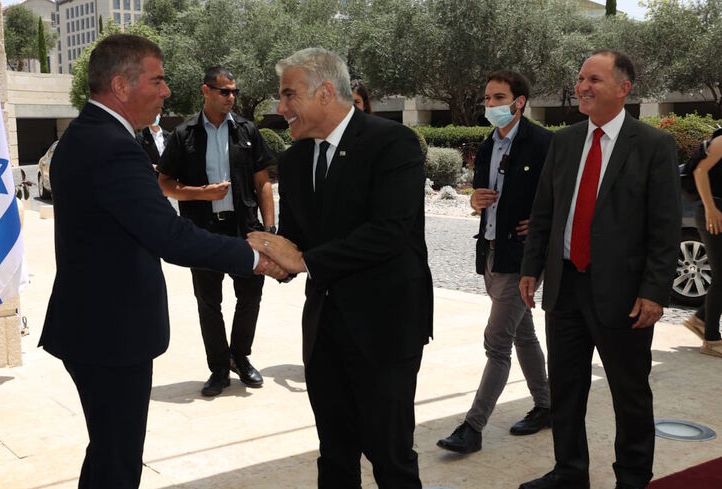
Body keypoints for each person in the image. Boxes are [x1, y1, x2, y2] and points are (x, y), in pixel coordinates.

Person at [38, 34, 281, 489]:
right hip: (110, 335)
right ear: (122, 85)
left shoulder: (88, 133)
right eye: (158, 79)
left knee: (109, 451)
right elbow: (169, 236)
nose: (167, 90)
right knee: (117, 461)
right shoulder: (113, 145)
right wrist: (256, 255)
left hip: (92, 327)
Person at [246, 48, 434, 488]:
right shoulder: (293, 161)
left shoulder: (393, 143)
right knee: (334, 455)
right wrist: (273, 258)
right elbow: (300, 240)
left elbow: (390, 231)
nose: (280, 107)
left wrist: (305, 260)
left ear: (326, 92)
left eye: (288, 94)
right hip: (326, 329)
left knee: (390, 456)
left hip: (385, 329)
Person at [518, 50, 680, 489]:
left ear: (624, 89)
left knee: (629, 393)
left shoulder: (652, 145)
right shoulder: (565, 141)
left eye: (595, 79)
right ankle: (569, 472)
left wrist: (654, 292)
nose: (583, 86)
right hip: (566, 286)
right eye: (580, 78)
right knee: (567, 389)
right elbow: (545, 212)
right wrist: (531, 267)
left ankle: (632, 476)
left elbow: (664, 229)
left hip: (625, 295)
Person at [437, 70, 552, 454]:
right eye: (487, 99)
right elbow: (480, 194)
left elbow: (561, 197)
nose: (490, 105)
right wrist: (473, 202)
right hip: (489, 253)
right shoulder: (488, 144)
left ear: (519, 102)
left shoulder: (543, 143)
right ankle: (547, 405)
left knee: (497, 342)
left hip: (521, 260)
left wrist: (540, 222)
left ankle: (473, 426)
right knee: (523, 333)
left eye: (498, 98)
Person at [158, 66, 276, 396]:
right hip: (202, 234)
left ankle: (240, 356)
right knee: (209, 303)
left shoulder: (247, 131)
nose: (231, 98)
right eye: (225, 91)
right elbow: (165, 184)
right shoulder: (184, 135)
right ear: (206, 91)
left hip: (244, 232)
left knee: (250, 296)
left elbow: (263, 183)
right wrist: (200, 193)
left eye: (234, 92)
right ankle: (219, 368)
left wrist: (270, 230)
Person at [682, 135, 722, 357]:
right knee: (721, 277)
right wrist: (710, 208)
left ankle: (700, 319)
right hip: (714, 213)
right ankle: (712, 340)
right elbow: (700, 171)